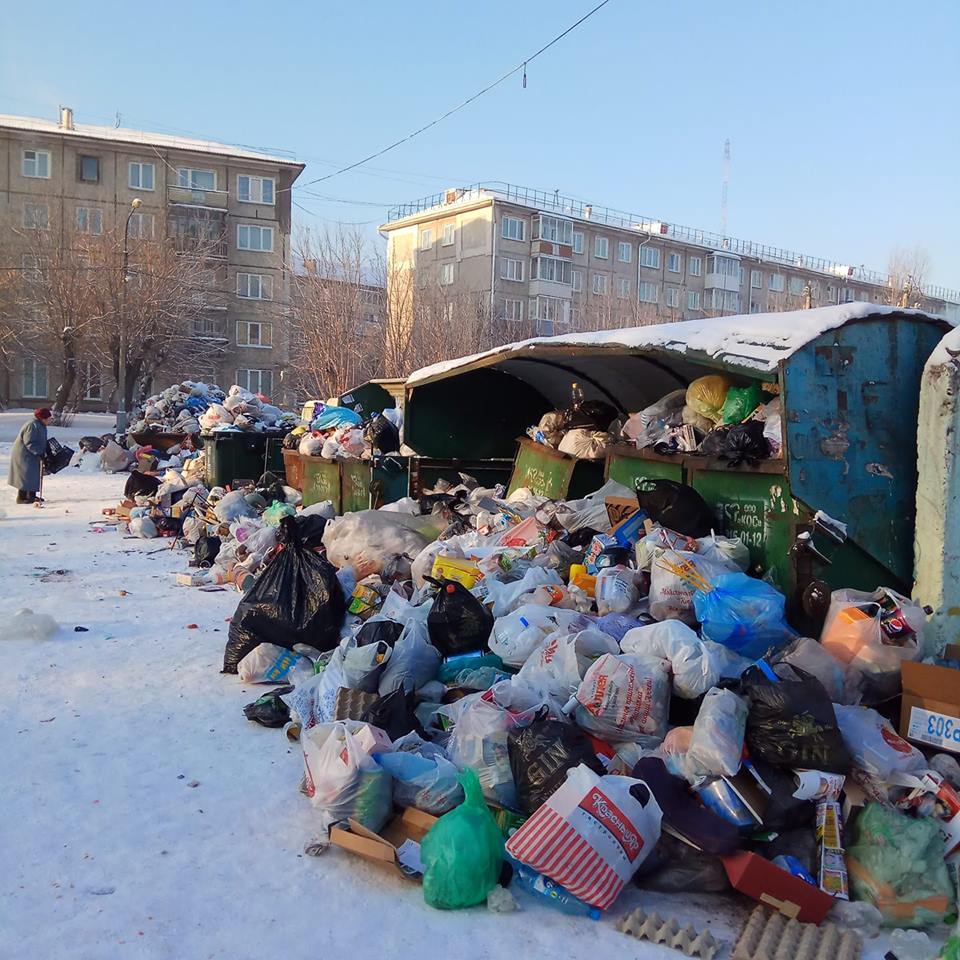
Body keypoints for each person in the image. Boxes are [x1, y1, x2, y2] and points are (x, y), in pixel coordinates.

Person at [8, 407, 53, 504]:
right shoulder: (32, 425)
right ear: (43, 418)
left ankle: (32, 496)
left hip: (32, 454)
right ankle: (22, 497)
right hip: (24, 454)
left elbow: (40, 440)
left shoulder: (40, 425)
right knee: (25, 475)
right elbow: (29, 442)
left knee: (34, 474)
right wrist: (39, 453)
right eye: (49, 418)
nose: (50, 420)